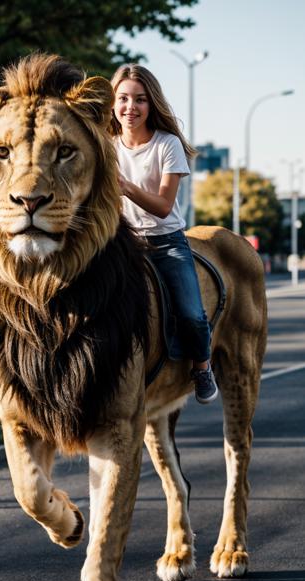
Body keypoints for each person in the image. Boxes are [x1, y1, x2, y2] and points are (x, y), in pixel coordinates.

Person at [110, 63, 218, 404]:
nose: (131, 107)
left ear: (151, 104)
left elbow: (162, 205)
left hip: (166, 243)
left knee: (192, 313)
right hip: (122, 243)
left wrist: (125, 187)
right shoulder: (105, 145)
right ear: (112, 103)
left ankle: (202, 368)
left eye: (140, 100)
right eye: (123, 98)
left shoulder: (167, 145)